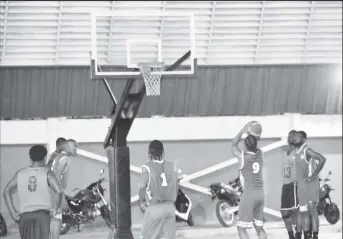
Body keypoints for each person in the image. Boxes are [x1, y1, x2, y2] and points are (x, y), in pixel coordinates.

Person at [3, 145, 63, 239]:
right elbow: (59, 191)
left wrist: (13, 213)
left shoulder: (20, 173)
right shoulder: (47, 173)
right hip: (43, 216)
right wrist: (55, 209)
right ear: (45, 157)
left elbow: (6, 191)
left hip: (25, 217)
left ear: (30, 158)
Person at [232, 122, 267, 239]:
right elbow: (255, 145)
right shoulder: (261, 154)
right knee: (259, 227)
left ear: (245, 146)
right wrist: (254, 136)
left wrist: (243, 130)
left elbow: (233, 144)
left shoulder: (242, 156)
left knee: (241, 228)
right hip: (260, 194)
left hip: (249, 194)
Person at [139, 140, 178, 239]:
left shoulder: (147, 167)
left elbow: (142, 186)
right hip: (170, 208)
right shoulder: (171, 166)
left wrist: (142, 201)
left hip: (155, 208)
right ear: (163, 152)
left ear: (149, 153)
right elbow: (176, 186)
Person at [293, 131, 326, 239]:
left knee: (312, 211)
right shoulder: (297, 151)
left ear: (304, 139)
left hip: (310, 185)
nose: (295, 138)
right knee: (303, 213)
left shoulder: (307, 150)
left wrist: (314, 174)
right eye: (295, 136)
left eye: (298, 137)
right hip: (302, 186)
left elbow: (322, 159)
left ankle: (315, 236)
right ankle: (307, 236)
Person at [47, 138, 77, 239]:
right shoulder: (64, 159)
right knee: (56, 221)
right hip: (55, 194)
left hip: (48, 192)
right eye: (74, 146)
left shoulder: (53, 156)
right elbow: (56, 176)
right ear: (66, 146)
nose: (75, 149)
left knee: (51, 222)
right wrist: (62, 197)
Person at [280, 130, 299, 239]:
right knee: (284, 212)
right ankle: (291, 235)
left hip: (294, 184)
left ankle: (298, 233)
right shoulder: (285, 153)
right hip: (285, 186)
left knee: (296, 210)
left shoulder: (297, 153)